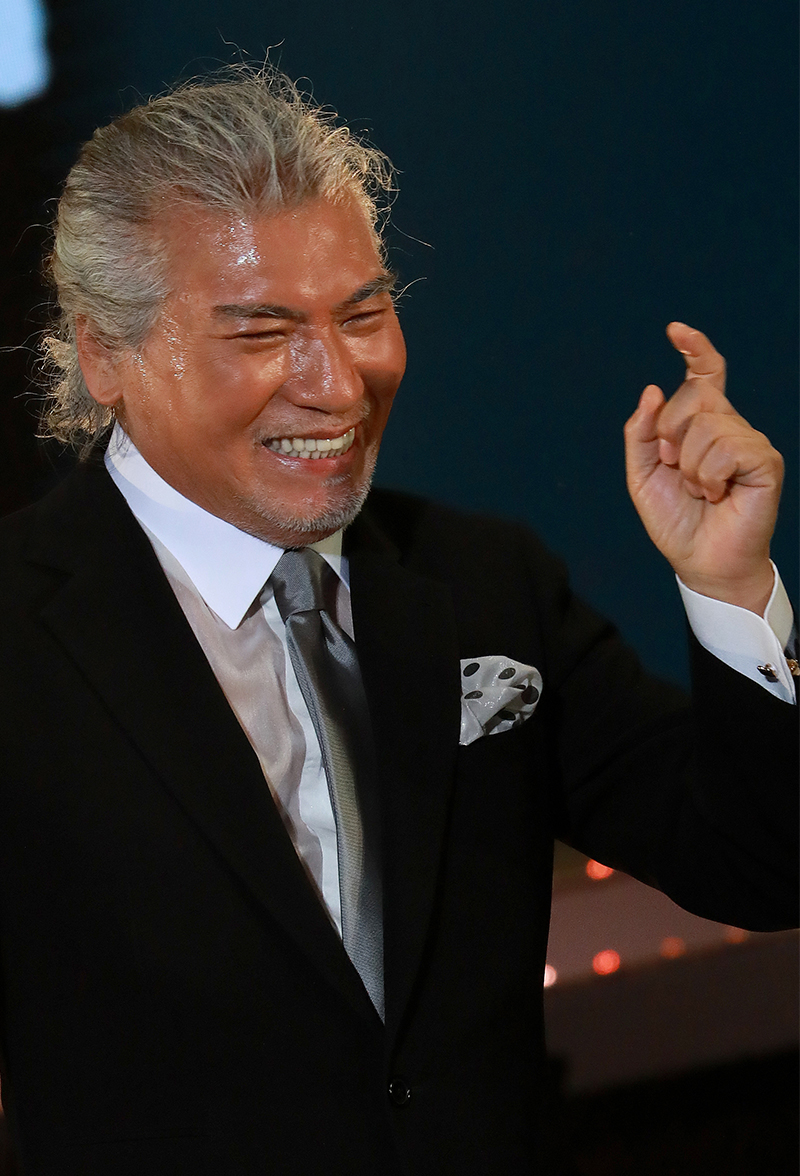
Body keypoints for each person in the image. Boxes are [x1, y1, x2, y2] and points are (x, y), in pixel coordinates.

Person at [0, 69, 795, 1176]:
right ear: (104, 354)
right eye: (264, 330)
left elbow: (761, 865)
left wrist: (729, 586)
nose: (337, 384)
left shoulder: (483, 584)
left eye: (363, 314)